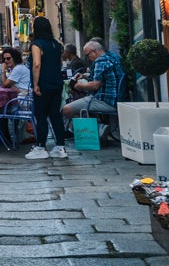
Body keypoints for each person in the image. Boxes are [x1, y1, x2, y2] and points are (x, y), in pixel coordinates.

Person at [27, 15, 71, 159]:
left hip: (43, 83)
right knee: (55, 115)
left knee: (41, 115)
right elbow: (59, 63)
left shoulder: (37, 44)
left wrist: (35, 84)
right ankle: (60, 146)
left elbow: (36, 64)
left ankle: (41, 146)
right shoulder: (56, 44)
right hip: (57, 82)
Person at [62, 38, 121, 126]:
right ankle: (95, 124)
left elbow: (94, 85)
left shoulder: (100, 61)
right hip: (114, 98)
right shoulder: (111, 57)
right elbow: (102, 77)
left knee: (66, 109)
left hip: (104, 100)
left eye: (88, 55)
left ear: (95, 51)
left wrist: (79, 86)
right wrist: (84, 75)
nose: (88, 58)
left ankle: (96, 127)